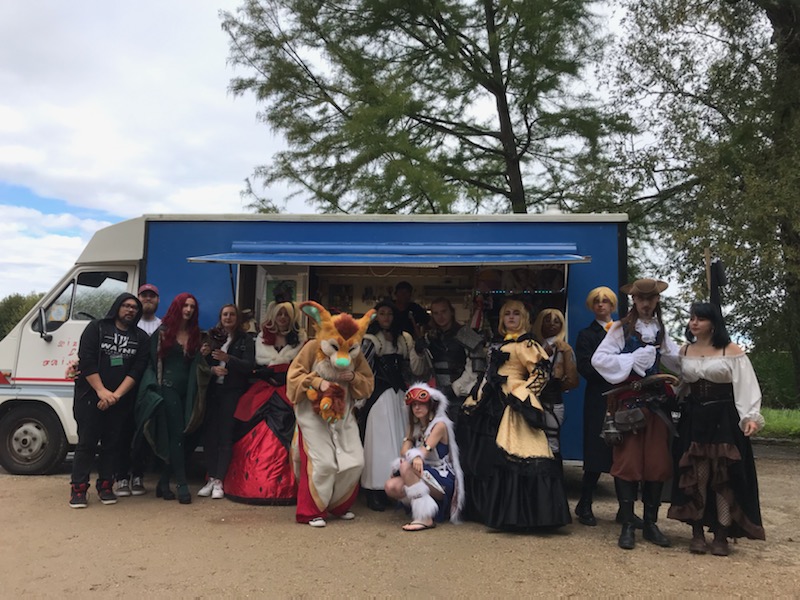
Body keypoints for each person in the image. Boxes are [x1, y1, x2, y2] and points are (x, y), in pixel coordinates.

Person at [460, 299, 571, 530]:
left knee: (515, 451)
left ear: (524, 319)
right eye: (507, 314)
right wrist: (477, 396)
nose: (511, 317)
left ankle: (520, 515)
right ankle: (491, 511)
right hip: (492, 400)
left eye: (516, 314)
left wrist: (522, 394)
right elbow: (490, 373)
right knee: (489, 454)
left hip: (513, 403)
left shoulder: (526, 344)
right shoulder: (500, 343)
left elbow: (541, 373)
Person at [668, 302, 766, 556]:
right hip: (695, 417)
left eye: (700, 318)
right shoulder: (685, 350)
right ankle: (697, 531)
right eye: (692, 318)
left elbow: (746, 385)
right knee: (698, 474)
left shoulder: (731, 351)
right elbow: (682, 385)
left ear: (713, 323)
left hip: (724, 418)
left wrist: (750, 417)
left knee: (722, 475)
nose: (694, 322)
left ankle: (722, 533)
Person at [591, 278, 680, 550]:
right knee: (627, 463)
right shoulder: (621, 328)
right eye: (641, 299)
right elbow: (599, 359)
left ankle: (651, 524)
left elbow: (676, 360)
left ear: (657, 300)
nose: (645, 304)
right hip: (629, 405)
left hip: (656, 406)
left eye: (650, 299)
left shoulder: (661, 330)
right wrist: (631, 360)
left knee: (657, 463)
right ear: (634, 300)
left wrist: (703, 360)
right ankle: (628, 524)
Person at [287, 301, 375, 527]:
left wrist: (354, 378)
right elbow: (293, 378)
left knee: (355, 461)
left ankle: (337, 505)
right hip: (312, 414)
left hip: (343, 414)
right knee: (323, 463)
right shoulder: (311, 348)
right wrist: (317, 382)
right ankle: (311, 511)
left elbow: (367, 383)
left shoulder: (356, 355)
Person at [69, 293, 150, 508]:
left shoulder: (141, 338)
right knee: (86, 444)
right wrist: (101, 391)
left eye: (134, 307)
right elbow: (86, 361)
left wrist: (115, 396)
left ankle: (106, 486)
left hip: (120, 401)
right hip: (90, 398)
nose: (130, 310)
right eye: (126, 305)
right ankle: (78, 489)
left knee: (112, 445)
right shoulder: (96, 328)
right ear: (117, 307)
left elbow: (137, 370)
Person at [574, 286, 644, 528]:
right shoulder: (586, 335)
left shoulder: (626, 331)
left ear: (613, 305)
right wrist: (618, 369)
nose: (601, 305)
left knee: (625, 449)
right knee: (597, 449)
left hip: (625, 396)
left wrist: (618, 368)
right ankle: (585, 503)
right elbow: (586, 367)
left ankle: (625, 509)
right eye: (597, 301)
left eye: (605, 301)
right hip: (599, 397)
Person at [223, 301, 306, 503]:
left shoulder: (301, 340)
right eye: (280, 314)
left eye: (286, 315)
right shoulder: (259, 339)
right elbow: (250, 365)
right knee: (245, 417)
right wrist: (262, 373)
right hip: (263, 390)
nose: (283, 318)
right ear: (273, 316)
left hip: (288, 392)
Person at [135, 293, 208, 504]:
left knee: (188, 434)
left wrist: (204, 355)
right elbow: (151, 362)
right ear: (177, 307)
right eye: (185, 305)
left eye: (192, 306)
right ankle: (182, 484)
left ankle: (164, 481)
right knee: (176, 435)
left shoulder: (197, 334)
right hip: (167, 388)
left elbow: (199, 365)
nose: (188, 310)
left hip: (190, 391)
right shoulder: (162, 333)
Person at [359, 301, 425, 511]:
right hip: (378, 397)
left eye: (389, 313)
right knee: (378, 445)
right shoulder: (370, 340)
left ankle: (394, 488)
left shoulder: (403, 339)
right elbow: (363, 371)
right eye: (382, 313)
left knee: (398, 441)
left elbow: (412, 370)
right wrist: (360, 399)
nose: (386, 317)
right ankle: (374, 491)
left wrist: (419, 349)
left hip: (399, 397)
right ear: (376, 316)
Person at [384, 383, 465, 531]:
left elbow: (425, 450)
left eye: (421, 404)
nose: (417, 408)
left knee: (405, 466)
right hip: (422, 473)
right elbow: (404, 451)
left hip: (442, 477)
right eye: (414, 405)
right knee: (391, 486)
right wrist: (411, 443)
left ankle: (425, 517)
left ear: (430, 405)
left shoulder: (440, 425)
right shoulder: (414, 426)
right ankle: (422, 508)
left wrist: (416, 456)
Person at [198, 304, 255, 500]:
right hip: (212, 392)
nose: (228, 318)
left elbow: (249, 366)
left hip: (232, 393)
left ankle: (220, 480)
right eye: (225, 314)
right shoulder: (212, 337)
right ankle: (211, 477)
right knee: (210, 437)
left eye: (232, 315)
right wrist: (210, 366)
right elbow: (201, 365)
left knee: (225, 436)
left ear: (237, 318)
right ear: (220, 317)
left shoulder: (245, 340)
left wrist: (228, 358)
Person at [114, 283, 161, 498]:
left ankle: (139, 475)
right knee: (122, 432)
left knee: (144, 432)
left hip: (149, 388)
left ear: (158, 300)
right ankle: (121, 476)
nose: (148, 299)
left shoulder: (163, 326)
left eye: (152, 296)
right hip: (125, 388)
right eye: (144, 296)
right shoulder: (129, 325)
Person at [411, 297, 482, 423]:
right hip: (438, 397)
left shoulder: (467, 334)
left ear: (451, 312)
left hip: (463, 398)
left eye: (444, 311)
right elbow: (419, 371)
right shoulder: (430, 337)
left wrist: (455, 388)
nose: (440, 317)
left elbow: (477, 367)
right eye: (436, 313)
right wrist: (418, 351)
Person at [531, 308, 579, 461]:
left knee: (552, 439)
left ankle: (552, 473)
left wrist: (556, 386)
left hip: (553, 400)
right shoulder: (531, 346)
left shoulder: (565, 349)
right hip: (531, 399)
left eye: (556, 321)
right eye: (547, 320)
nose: (552, 324)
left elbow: (573, 380)